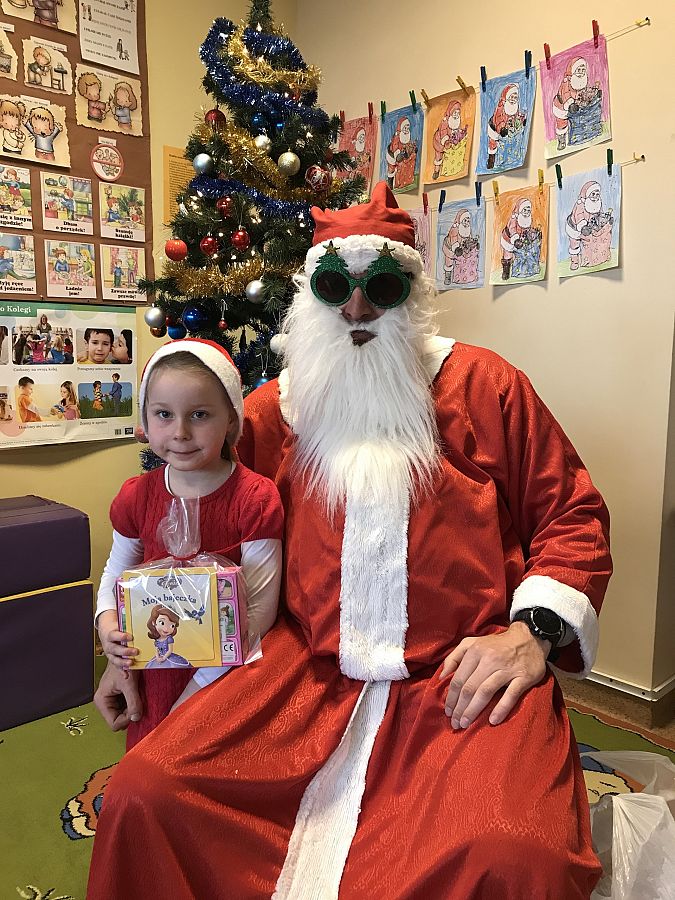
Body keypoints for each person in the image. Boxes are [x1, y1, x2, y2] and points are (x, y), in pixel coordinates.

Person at [88, 184, 611, 899]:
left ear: (411, 294)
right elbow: (186, 543)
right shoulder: (270, 413)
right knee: (148, 791)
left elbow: (572, 516)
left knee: (517, 855)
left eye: (382, 288)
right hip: (300, 669)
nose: (358, 309)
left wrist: (532, 635)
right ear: (312, 295)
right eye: (336, 287)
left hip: (457, 676)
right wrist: (130, 656)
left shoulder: (485, 388)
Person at [91, 338, 284, 753]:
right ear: (145, 419)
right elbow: (116, 573)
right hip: (154, 671)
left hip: (224, 678)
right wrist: (107, 628)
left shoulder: (254, 499)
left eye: (199, 414)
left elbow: (259, 610)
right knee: (148, 766)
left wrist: (197, 691)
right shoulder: (136, 496)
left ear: (231, 420)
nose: (179, 432)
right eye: (164, 414)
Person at [486, 83, 526, 169]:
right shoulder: (501, 107)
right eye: (511, 97)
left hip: (508, 130)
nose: (513, 99)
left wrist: (522, 120)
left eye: (515, 98)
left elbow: (517, 116)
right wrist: (501, 129)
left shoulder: (515, 107)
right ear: (507, 97)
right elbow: (498, 119)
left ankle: (509, 159)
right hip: (495, 129)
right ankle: (491, 160)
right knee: (493, 144)